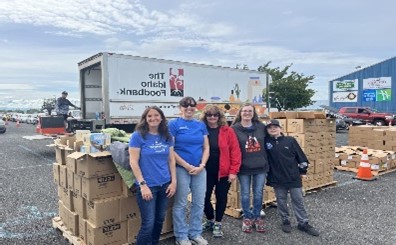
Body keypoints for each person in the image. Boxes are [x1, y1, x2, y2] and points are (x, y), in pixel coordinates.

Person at [129, 106, 177, 245]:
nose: (153, 118)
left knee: (160, 219)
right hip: (148, 185)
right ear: (145, 119)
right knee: (148, 223)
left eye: (156, 115)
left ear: (161, 118)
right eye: (149, 116)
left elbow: (171, 159)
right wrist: (143, 185)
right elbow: (133, 162)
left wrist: (173, 182)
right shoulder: (138, 136)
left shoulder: (167, 136)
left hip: (165, 184)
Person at [265, 119, 320, 236]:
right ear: (267, 130)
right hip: (277, 178)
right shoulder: (266, 142)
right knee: (281, 201)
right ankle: (285, 220)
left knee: (298, 201)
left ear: (280, 128)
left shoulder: (290, 141)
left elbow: (302, 158)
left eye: (275, 126)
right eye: (270, 127)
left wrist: (303, 171)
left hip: (293, 177)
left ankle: (303, 223)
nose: (273, 129)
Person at [169, 96, 209, 245]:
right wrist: (186, 166)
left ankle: (195, 233)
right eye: (185, 105)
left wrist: (202, 165)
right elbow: (170, 149)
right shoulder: (173, 124)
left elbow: (206, 147)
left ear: (196, 108)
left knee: (199, 203)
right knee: (181, 203)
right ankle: (181, 236)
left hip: (199, 169)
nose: (189, 108)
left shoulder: (200, 125)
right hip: (181, 169)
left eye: (192, 105)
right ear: (180, 108)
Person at [200, 105, 241, 237]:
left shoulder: (227, 131)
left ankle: (218, 223)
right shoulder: (201, 130)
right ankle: (210, 219)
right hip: (205, 171)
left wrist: (233, 171)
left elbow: (235, 151)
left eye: (215, 115)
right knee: (203, 198)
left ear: (219, 116)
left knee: (221, 197)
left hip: (223, 171)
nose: (212, 117)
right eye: (209, 115)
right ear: (205, 117)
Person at [231, 103, 268, 233]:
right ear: (240, 113)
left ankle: (257, 216)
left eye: (250, 111)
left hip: (260, 166)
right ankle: (247, 217)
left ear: (254, 113)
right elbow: (230, 148)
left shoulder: (261, 127)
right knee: (245, 194)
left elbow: (270, 142)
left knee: (258, 193)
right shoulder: (234, 129)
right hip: (243, 168)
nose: (247, 113)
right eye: (244, 111)